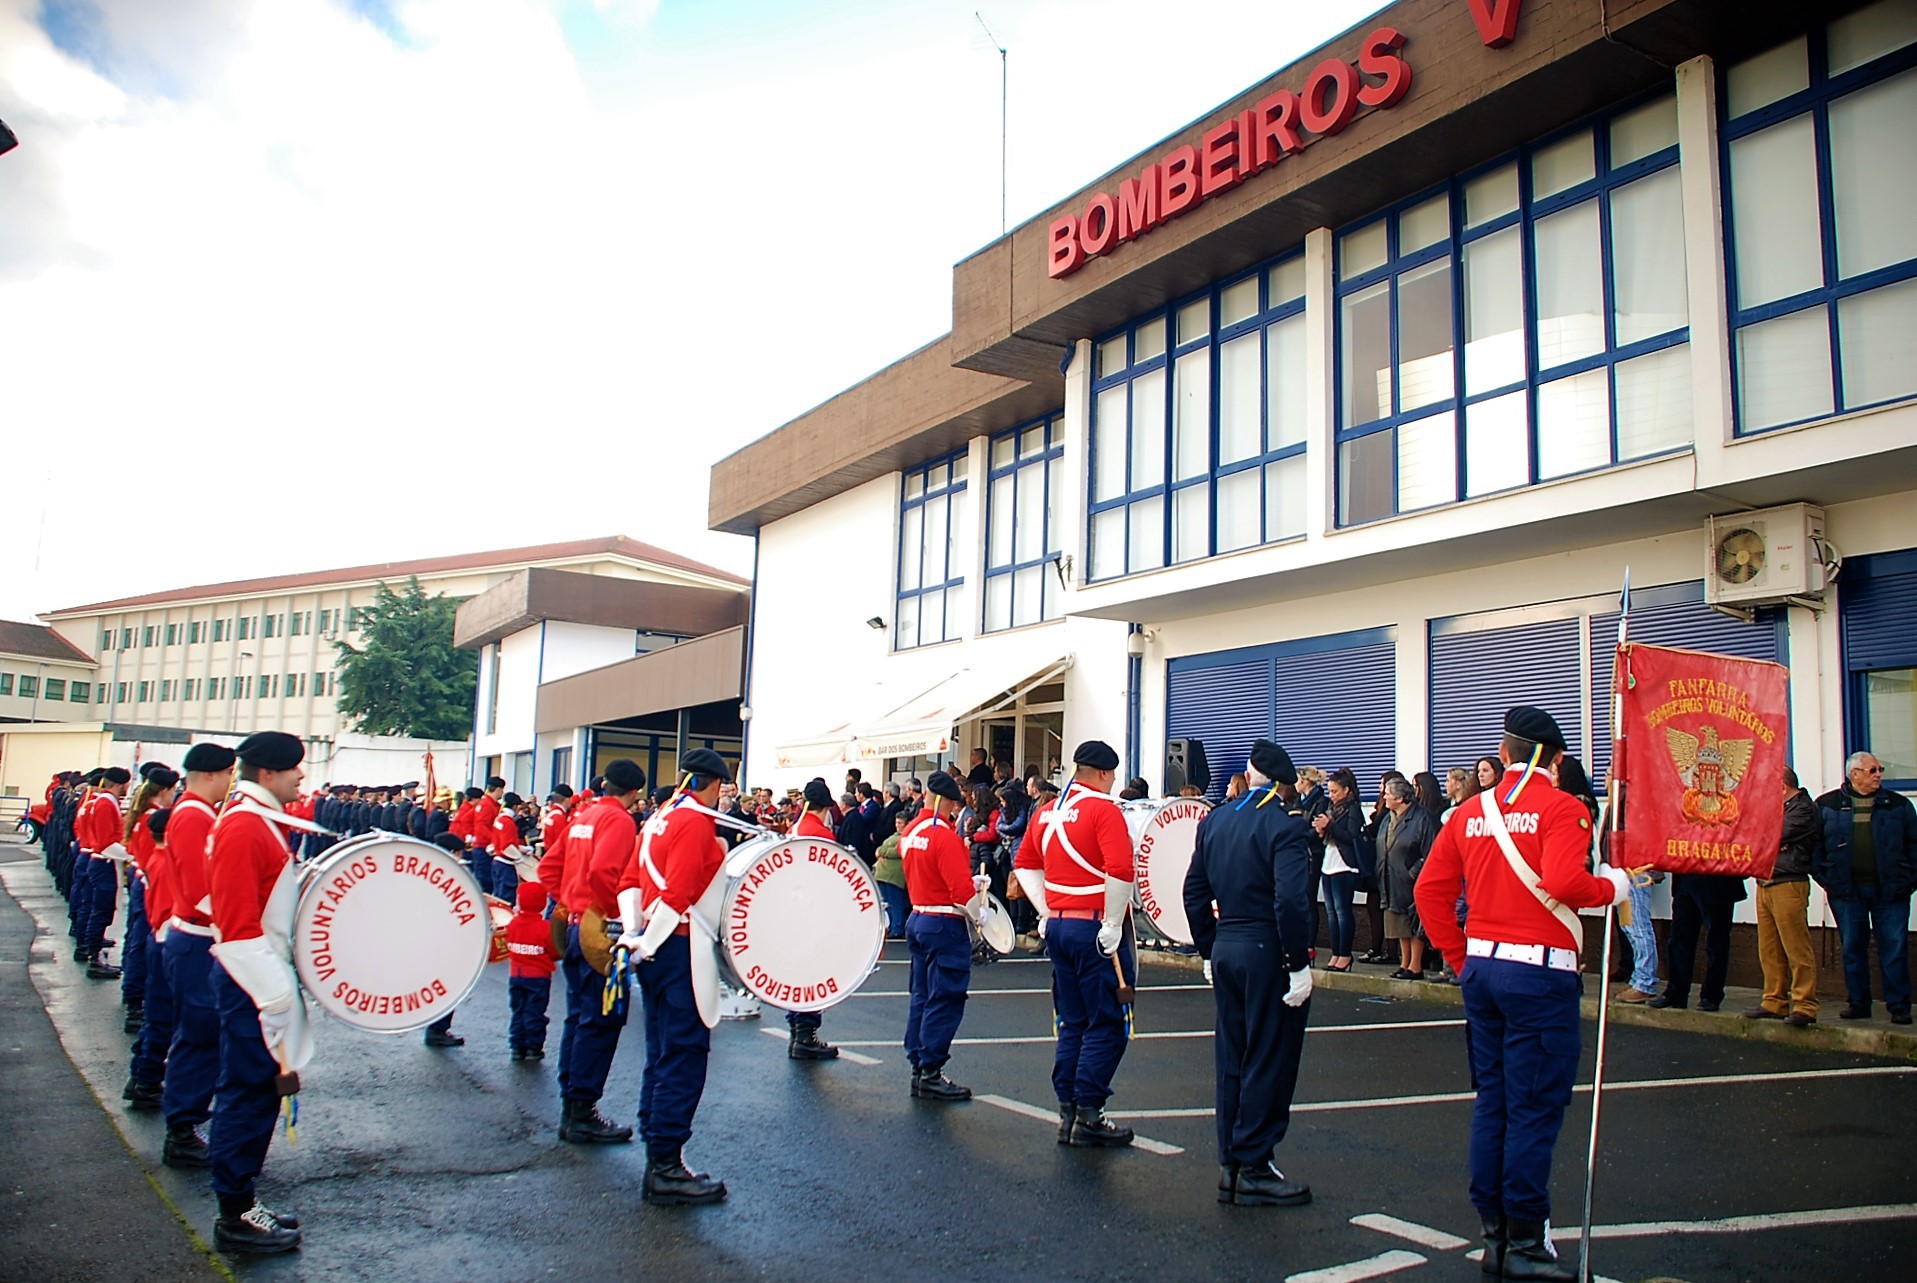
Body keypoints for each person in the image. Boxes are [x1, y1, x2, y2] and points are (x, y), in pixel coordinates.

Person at [1415, 707, 1631, 1281]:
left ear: (1505, 755)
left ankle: (1494, 1231)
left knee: (1494, 1100)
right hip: (1539, 977)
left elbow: (1429, 891)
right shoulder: (1564, 809)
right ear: (1555, 759)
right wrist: (1615, 884)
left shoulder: (1466, 814)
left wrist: (1460, 959)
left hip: (1484, 971)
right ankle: (1526, 1238)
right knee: (1534, 1107)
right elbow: (1566, 883)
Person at [1183, 739, 1315, 1208]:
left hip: (1228, 944)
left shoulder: (1217, 818)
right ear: (1285, 784)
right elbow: (1291, 902)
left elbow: (1194, 890)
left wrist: (1207, 948)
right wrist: (1297, 962)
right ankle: (1255, 1162)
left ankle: (1230, 1162)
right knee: (1267, 1055)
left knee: (1232, 1057)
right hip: (1266, 949)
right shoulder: (1284, 826)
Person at [204, 731, 314, 1254]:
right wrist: (275, 997)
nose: (301, 777)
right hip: (251, 979)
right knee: (247, 1092)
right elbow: (236, 923)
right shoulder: (246, 826)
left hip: (259, 976)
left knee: (257, 1094)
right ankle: (234, 1214)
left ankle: (243, 1199)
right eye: (295, 769)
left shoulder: (258, 819)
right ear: (268, 774)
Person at [615, 748, 733, 1205]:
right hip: (678, 945)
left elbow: (629, 879)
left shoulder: (660, 816)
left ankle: (656, 1147)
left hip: (654, 944)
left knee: (661, 1049)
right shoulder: (694, 821)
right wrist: (650, 939)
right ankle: (666, 1164)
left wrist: (634, 934)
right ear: (714, 784)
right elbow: (680, 891)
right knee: (683, 1052)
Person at [1014, 740, 1138, 1147]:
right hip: (1094, 928)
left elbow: (1025, 864)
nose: (1114, 781)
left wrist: (1048, 910)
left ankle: (1068, 1108)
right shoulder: (1104, 810)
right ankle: (1089, 1111)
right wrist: (1114, 924)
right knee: (1107, 1023)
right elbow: (1120, 870)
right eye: (1112, 775)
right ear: (1102, 774)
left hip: (1061, 929)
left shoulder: (1047, 812)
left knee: (1072, 1021)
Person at [557, 757, 646, 1142]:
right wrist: (617, 919)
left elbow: (549, 867)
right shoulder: (618, 820)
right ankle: (582, 1110)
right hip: (597, 928)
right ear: (634, 793)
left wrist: (568, 903)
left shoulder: (582, 816)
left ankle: (571, 1103)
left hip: (573, 921)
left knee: (578, 1017)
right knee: (601, 1019)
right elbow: (604, 874)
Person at [159, 742, 235, 1170]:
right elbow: (198, 888)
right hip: (197, 937)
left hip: (198, 936)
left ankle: (185, 1122)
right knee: (199, 1035)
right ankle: (182, 1128)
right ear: (211, 774)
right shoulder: (193, 816)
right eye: (228, 774)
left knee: (202, 1034)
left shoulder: (196, 812)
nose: (230, 781)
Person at [901, 770, 987, 1102]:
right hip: (944, 923)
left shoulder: (912, 831)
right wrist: (981, 917)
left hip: (919, 915)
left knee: (921, 995)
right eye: (953, 803)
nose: (954, 809)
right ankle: (931, 1070)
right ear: (944, 801)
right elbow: (960, 893)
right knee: (945, 997)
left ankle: (919, 1063)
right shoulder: (944, 835)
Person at [1813, 750, 1915, 1024]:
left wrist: (1908, 881)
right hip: (1847, 892)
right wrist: (1827, 879)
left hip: (1891, 891)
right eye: (1873, 770)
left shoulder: (1898, 805)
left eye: (1880, 769)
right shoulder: (1828, 805)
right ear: (1854, 773)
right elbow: (1815, 847)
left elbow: (1913, 845)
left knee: (1894, 946)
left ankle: (1899, 1005)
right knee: (1852, 947)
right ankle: (1858, 1002)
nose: (1879, 774)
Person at [1747, 768, 1821, 1027]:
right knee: (1769, 947)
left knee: (1796, 947)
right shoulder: (1777, 808)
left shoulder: (1802, 809)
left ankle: (1805, 1004)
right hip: (1765, 881)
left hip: (1788, 881)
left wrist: (1763, 835)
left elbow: (1769, 834)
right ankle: (1774, 1000)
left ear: (1781, 786)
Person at [123, 803, 177, 1111]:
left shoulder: (155, 859)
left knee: (157, 1017)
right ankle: (145, 1079)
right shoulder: (166, 862)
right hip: (164, 941)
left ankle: (142, 1075)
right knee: (161, 1019)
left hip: (157, 940)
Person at [784, 779, 842, 1060]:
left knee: (796, 971)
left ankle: (796, 1030)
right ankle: (806, 1033)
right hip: (813, 910)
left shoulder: (793, 828)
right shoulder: (821, 834)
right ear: (826, 808)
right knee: (812, 972)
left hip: (792, 908)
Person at [1650, 866, 1745, 1013]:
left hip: (1718, 880)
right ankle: (1676, 992)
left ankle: (1711, 996)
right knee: (1678, 940)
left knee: (1716, 943)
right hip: (1686, 878)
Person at [74, 766, 133, 978]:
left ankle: (91, 952)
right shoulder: (107, 804)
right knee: (101, 910)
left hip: (96, 859)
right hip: (103, 861)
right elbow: (106, 841)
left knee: (95, 908)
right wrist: (131, 856)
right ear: (120, 784)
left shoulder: (99, 801)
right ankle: (94, 958)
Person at [1378, 777, 1438, 980]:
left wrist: (1413, 871)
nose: (1384, 796)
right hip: (1391, 876)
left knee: (1413, 922)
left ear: (1401, 798)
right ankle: (1405, 963)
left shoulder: (1422, 818)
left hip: (1412, 879)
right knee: (1399, 922)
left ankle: (1415, 965)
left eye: (1388, 793)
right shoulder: (1388, 817)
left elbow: (1430, 850)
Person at [1311, 769, 1366, 972]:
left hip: (1345, 865)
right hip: (1329, 862)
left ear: (1346, 790)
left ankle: (1345, 954)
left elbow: (1351, 836)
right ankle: (1335, 953)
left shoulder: (1353, 810)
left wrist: (1330, 826)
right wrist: (1320, 830)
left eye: (1335, 791)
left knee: (1343, 912)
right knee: (1331, 912)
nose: (1332, 795)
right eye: (1330, 791)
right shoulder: (1331, 808)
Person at [506, 879, 561, 1060]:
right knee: (534, 1012)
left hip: (516, 973)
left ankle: (516, 1045)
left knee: (518, 1010)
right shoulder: (545, 928)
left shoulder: (512, 924)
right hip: (538, 976)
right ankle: (533, 1047)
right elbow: (555, 951)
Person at [873, 811, 909, 938]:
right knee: (887, 903)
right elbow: (881, 850)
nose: (897, 825)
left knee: (895, 902)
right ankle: (889, 926)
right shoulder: (894, 836)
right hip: (883, 873)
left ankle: (897, 927)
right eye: (896, 823)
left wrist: (883, 851)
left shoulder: (906, 837)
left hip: (895, 875)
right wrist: (882, 851)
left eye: (900, 823)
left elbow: (896, 852)